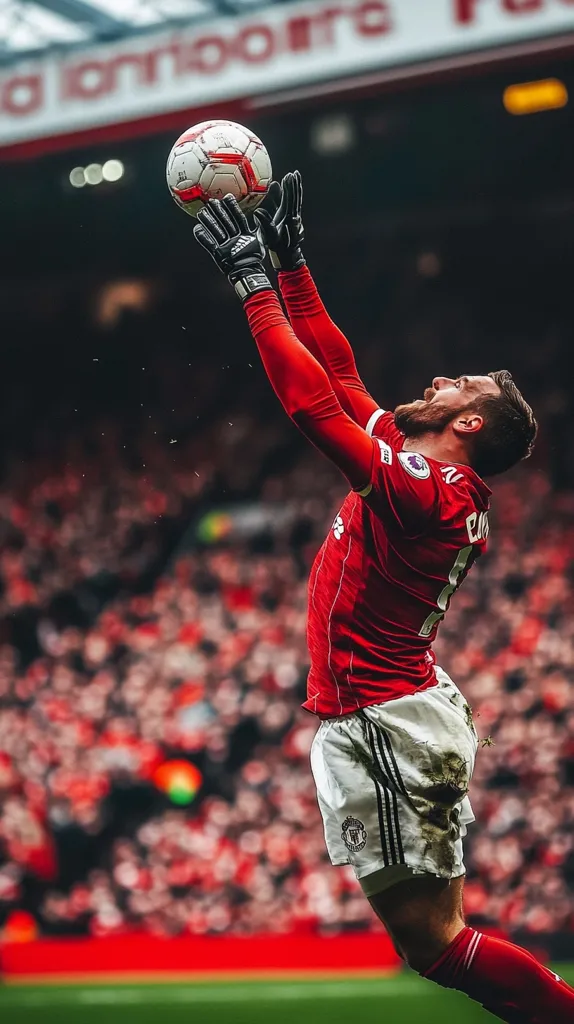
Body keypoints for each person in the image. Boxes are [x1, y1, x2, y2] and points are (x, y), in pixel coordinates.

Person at [193, 176, 574, 1023]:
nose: (439, 379)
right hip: (384, 711)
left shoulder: (433, 493)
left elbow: (310, 405)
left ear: (469, 426)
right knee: (435, 942)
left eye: (457, 387)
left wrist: (252, 288)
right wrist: (291, 269)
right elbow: (340, 371)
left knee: (438, 945)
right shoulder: (426, 475)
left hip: (384, 718)